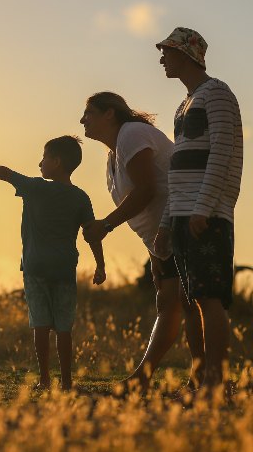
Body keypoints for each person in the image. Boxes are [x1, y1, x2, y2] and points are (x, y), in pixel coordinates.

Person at [0, 136, 106, 391]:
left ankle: (45, 380)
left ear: (56, 162)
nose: (40, 163)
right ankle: (66, 382)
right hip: (65, 268)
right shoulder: (81, 197)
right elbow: (92, 233)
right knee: (64, 327)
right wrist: (100, 265)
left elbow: (3, 172)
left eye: (44, 157)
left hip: (35, 267)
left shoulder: (35, 187)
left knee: (41, 324)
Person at [80, 92, 201, 393]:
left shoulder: (131, 134)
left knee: (185, 303)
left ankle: (188, 378)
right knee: (172, 303)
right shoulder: (114, 155)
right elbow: (147, 203)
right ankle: (187, 377)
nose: (83, 120)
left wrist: (106, 225)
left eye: (89, 113)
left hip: (183, 223)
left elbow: (147, 190)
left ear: (110, 114)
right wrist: (155, 254)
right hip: (163, 237)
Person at [153, 27, 243, 390]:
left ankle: (215, 383)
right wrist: (165, 222)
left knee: (209, 297)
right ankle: (200, 378)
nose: (162, 59)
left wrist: (203, 207)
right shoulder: (183, 105)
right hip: (182, 216)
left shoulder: (218, 94)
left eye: (167, 52)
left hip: (206, 215)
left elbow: (223, 153)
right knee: (191, 299)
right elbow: (178, 169)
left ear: (187, 55)